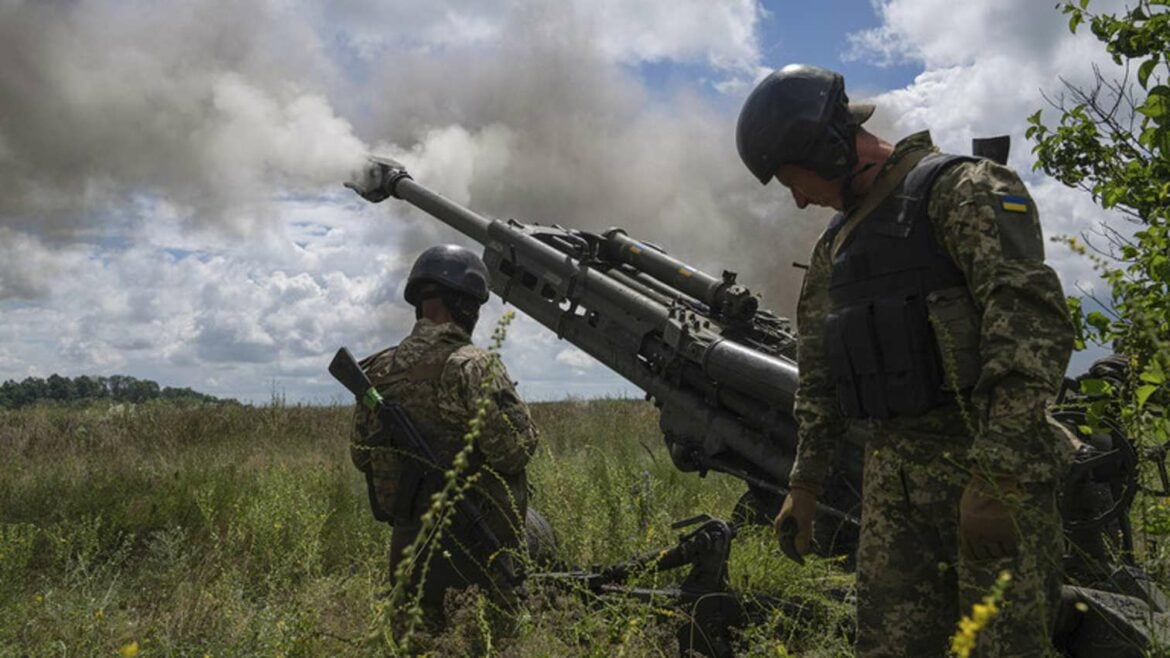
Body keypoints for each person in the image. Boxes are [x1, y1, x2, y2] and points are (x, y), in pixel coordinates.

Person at [737, 64, 1074, 656]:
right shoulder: (836, 247)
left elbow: (1029, 330)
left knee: (1003, 646)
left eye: (797, 179)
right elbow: (818, 375)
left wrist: (998, 479)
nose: (796, 201)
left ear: (833, 149)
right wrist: (806, 483)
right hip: (893, 488)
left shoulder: (962, 190)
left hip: (987, 473)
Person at [349, 244, 538, 628]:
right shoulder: (473, 366)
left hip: (409, 552)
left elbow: (360, 455)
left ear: (420, 304)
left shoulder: (379, 371)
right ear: (465, 306)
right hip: (479, 549)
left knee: (415, 645)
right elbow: (513, 454)